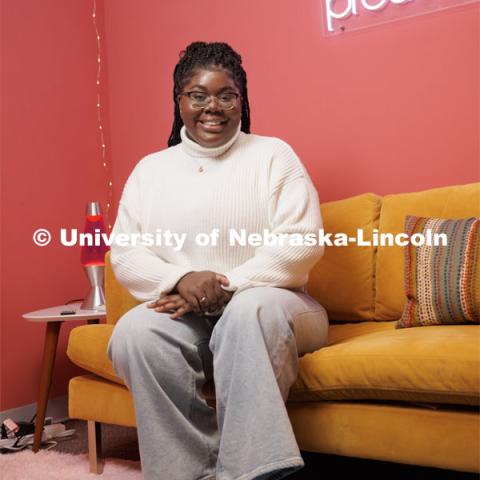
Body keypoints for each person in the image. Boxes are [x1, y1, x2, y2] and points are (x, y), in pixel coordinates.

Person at [107, 41, 329, 480]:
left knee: (248, 310)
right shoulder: (150, 171)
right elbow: (126, 252)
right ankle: (185, 471)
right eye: (199, 95)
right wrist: (182, 278)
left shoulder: (273, 156)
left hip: (279, 307)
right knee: (135, 331)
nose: (214, 107)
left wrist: (224, 284)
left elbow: (303, 242)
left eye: (227, 95)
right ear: (180, 101)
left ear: (241, 99)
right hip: (190, 314)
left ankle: (249, 471)